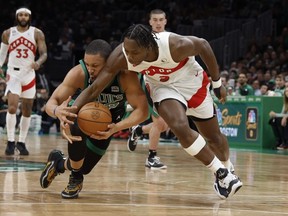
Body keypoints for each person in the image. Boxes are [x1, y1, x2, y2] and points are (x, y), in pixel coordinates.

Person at [62, 24, 243, 199]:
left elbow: (203, 45)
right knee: (179, 126)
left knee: (214, 138)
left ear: (148, 47)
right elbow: (94, 89)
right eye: (127, 50)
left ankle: (227, 168)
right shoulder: (122, 56)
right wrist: (71, 113)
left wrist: (218, 84)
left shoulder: (174, 46)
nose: (130, 57)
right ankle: (221, 173)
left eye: (135, 52)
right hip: (162, 88)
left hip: (192, 84)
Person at [39, 39, 148, 199]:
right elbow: (51, 102)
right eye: (87, 64)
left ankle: (59, 162)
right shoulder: (79, 73)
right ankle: (75, 178)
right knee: (76, 120)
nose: (90, 69)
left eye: (95, 66)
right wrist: (58, 111)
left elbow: (143, 111)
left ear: (110, 62)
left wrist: (117, 127)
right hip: (79, 119)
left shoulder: (125, 77)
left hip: (106, 125)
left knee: (85, 167)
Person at [0, 7, 47, 155]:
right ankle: (10, 141)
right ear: (16, 17)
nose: (23, 17)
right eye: (21, 15)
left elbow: (44, 53)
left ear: (29, 17)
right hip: (13, 75)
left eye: (26, 15)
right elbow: (2, 53)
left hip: (29, 74)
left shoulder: (37, 33)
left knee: (27, 110)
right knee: (12, 108)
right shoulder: (8, 33)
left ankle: (21, 142)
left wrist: (38, 63)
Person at [127, 9, 169, 170]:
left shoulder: (170, 39)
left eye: (161, 20)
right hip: (150, 84)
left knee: (166, 125)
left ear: (165, 21)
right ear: (150, 22)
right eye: (155, 20)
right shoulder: (144, 41)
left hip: (168, 85)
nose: (158, 23)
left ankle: (139, 130)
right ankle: (151, 157)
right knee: (159, 123)